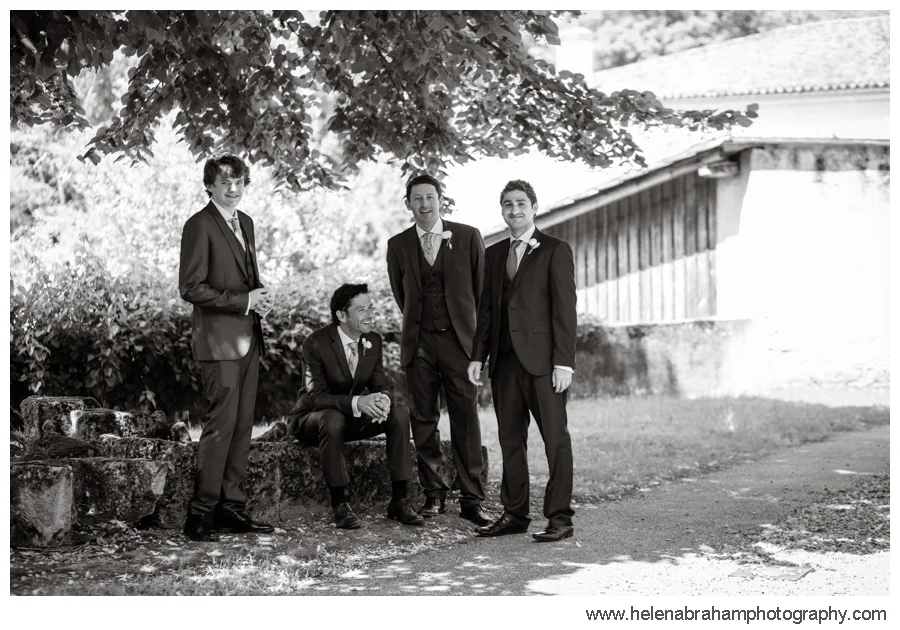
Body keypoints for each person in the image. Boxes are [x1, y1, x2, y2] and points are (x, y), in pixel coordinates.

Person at [467, 179, 577, 542]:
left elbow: (565, 310)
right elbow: (486, 312)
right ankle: (515, 514)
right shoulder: (494, 254)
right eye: (508, 205)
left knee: (555, 440)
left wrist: (564, 362)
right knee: (511, 441)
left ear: (534, 208)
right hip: (504, 364)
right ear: (502, 210)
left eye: (520, 204)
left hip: (544, 365)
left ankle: (560, 517)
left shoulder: (555, 250)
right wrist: (478, 356)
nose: (514, 210)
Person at [386, 174, 491, 527]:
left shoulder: (468, 236)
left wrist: (477, 347)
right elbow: (402, 296)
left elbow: (481, 293)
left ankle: (472, 499)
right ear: (408, 204)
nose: (424, 204)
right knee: (424, 420)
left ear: (440, 200)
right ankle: (434, 494)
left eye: (430, 197)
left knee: (466, 419)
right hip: (419, 345)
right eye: (417, 198)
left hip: (459, 344)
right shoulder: (398, 245)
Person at [179, 154, 274, 542]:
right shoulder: (198, 225)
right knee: (220, 427)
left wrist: (259, 298)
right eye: (225, 183)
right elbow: (190, 287)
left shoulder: (245, 221)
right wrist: (243, 301)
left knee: (242, 426)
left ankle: (231, 508)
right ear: (210, 186)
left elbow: (245, 278)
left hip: (250, 338)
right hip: (218, 343)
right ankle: (199, 514)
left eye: (239, 182)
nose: (234, 189)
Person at [286, 283, 424, 529]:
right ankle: (340, 505)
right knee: (332, 419)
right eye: (362, 310)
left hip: (348, 419)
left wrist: (383, 400)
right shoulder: (315, 343)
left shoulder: (373, 341)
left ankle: (400, 501)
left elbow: (381, 384)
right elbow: (316, 397)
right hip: (313, 420)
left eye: (370, 307)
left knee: (399, 413)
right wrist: (358, 402)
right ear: (341, 315)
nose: (370, 314)